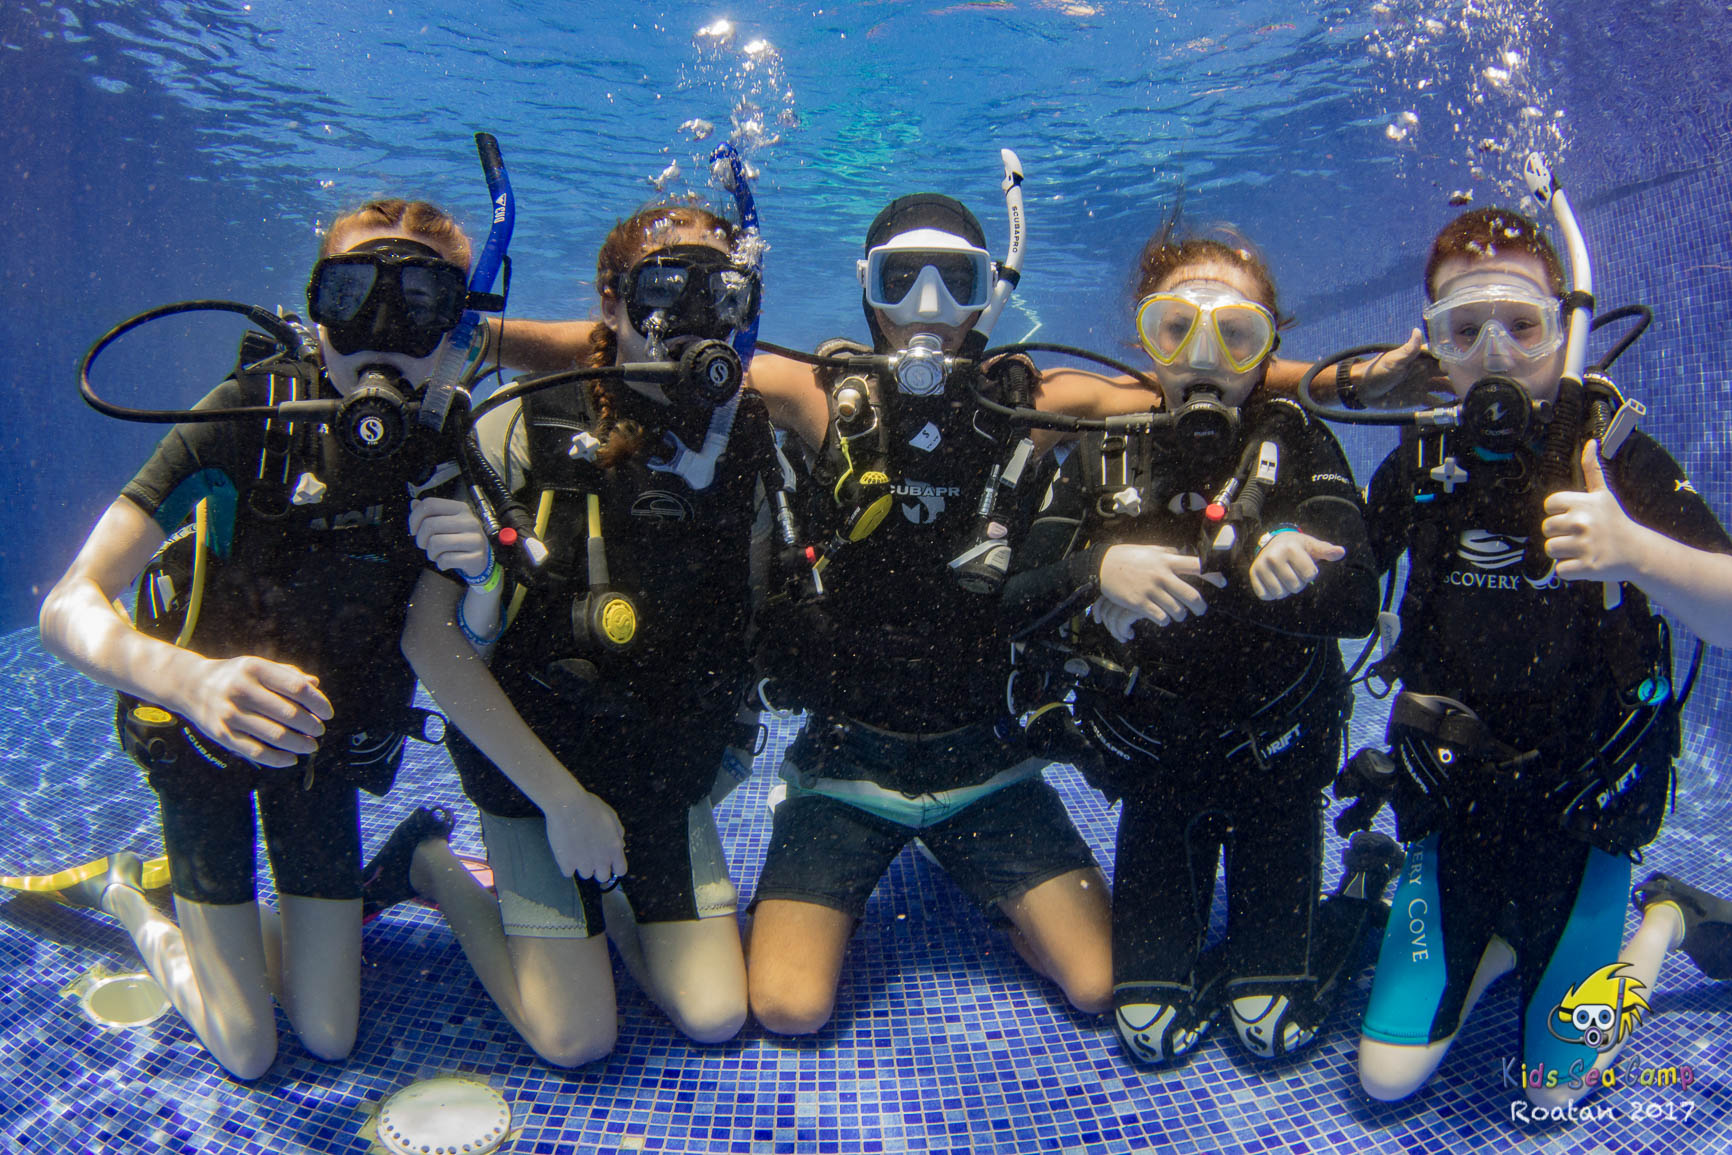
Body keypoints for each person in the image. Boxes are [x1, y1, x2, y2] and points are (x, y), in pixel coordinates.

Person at [36, 198, 501, 1079]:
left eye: (421, 303)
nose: (381, 333)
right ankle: (133, 899)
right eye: (354, 292)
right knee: (247, 1048)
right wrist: (190, 683)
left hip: (315, 755)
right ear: (314, 310)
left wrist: (480, 580)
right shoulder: (245, 416)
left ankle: (395, 862)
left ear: (458, 332)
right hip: (201, 750)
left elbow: (453, 649)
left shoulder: (444, 449)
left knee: (329, 1031)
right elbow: (70, 601)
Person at [1346, 207, 1732, 1109]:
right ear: (1434, 347)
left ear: (1566, 332)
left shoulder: (1613, 454)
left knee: (1556, 1088)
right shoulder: (1420, 465)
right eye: (1463, 328)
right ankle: (1501, 941)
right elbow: (1345, 593)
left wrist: (1637, 552)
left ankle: (1663, 919)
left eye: (1523, 325)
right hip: (1458, 805)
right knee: (1385, 1079)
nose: (1494, 353)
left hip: (1582, 810)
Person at [1001, 226, 1398, 1065]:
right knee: (1146, 1032)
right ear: (1145, 349)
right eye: (1176, 328)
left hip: (1276, 770)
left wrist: (1290, 571)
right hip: (1161, 772)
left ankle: (1360, 891)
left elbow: (1358, 598)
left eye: (1238, 333)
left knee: (1269, 1027)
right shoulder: (1106, 452)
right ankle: (1226, 954)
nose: (1205, 355)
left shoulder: (1295, 444)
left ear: (1267, 352)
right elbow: (1013, 603)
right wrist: (1097, 565)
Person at [386, 201, 773, 1063]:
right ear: (611, 302)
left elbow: (749, 605)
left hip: (659, 770)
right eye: (666, 287)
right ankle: (431, 863)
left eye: (723, 291)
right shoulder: (524, 421)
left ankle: (607, 890)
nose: (693, 314)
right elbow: (429, 638)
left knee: (713, 1014)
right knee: (576, 1039)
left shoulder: (745, 433)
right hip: (534, 765)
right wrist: (561, 800)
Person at [738, 190, 1117, 1034]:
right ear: (867, 289)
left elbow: (1173, 387)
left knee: (1099, 987)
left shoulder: (1024, 401)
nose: (929, 309)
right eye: (901, 279)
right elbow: (694, 356)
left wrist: (1344, 377)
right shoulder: (817, 394)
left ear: (992, 290)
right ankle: (859, 865)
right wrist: (468, 333)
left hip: (984, 758)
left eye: (957, 280)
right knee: (788, 1007)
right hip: (846, 762)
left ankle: (986, 881)